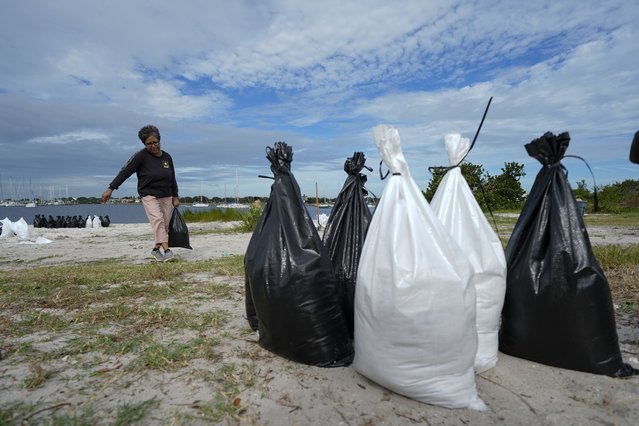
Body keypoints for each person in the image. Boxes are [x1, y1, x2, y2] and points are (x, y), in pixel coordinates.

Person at [101, 125, 180, 261]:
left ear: (160, 140)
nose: (153, 146)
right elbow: (125, 172)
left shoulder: (167, 157)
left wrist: (175, 196)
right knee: (157, 220)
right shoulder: (140, 156)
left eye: (155, 142)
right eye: (149, 144)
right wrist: (111, 188)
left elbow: (172, 177)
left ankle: (156, 249)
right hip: (148, 194)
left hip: (166, 194)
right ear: (144, 144)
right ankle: (167, 251)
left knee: (164, 224)